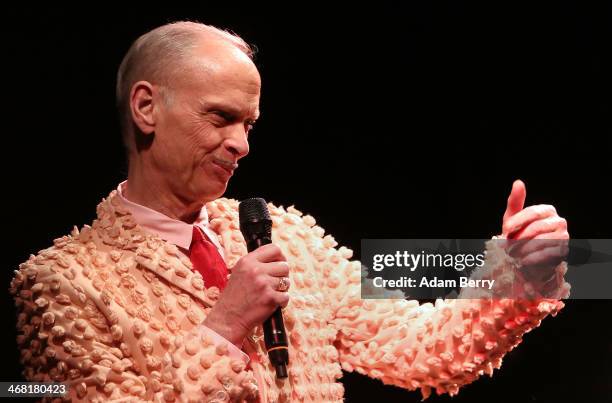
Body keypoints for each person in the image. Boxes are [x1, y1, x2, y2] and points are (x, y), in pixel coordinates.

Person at [10, 21, 570, 402]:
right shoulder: (63, 283)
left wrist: (517, 274)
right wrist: (226, 325)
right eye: (220, 118)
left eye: (248, 125)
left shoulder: (290, 237)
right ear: (146, 106)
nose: (242, 145)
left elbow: (418, 348)